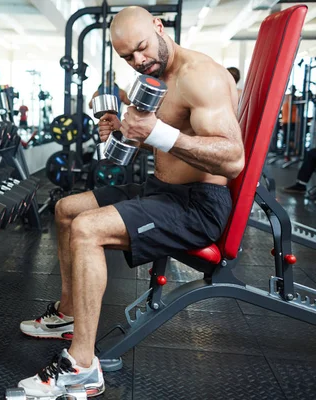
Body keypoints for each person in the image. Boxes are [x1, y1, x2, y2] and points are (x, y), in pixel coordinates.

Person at [16, 6, 244, 399]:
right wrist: (118, 122)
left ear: (159, 27)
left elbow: (233, 159)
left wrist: (158, 134)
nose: (139, 61)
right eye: (128, 57)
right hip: (162, 190)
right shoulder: (156, 77)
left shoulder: (201, 77)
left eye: (141, 49)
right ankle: (69, 315)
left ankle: (83, 367)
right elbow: (143, 134)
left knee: (88, 229)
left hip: (197, 207)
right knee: (67, 210)